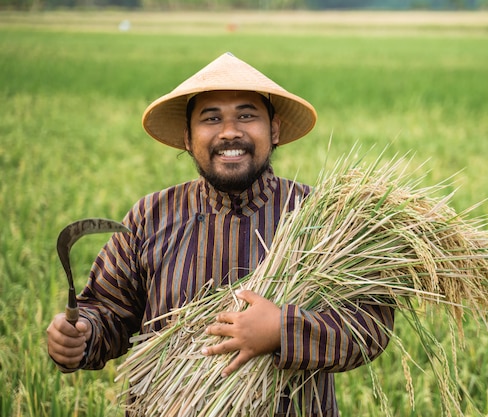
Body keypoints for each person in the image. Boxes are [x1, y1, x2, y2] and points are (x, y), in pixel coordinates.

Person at [46, 52, 395, 416]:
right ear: (187, 136)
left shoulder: (322, 218)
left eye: (246, 115)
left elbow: (368, 326)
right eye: (211, 118)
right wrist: (81, 335)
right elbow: (109, 311)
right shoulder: (151, 217)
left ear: (274, 129)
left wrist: (281, 329)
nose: (230, 131)